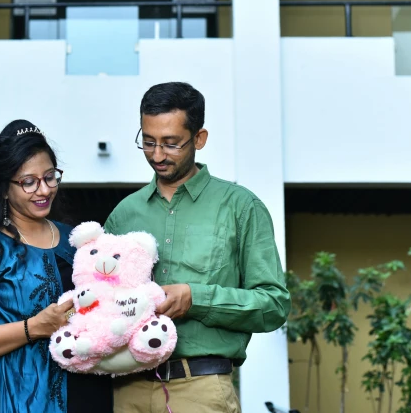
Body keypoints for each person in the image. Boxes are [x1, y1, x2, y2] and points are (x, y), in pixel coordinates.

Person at [104, 82, 290, 413]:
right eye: (148, 142)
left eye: (171, 144)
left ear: (199, 139)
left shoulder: (240, 207)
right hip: (127, 388)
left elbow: (273, 304)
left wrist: (196, 298)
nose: (157, 155)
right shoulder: (124, 214)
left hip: (201, 389)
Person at [0, 119, 113, 413]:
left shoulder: (76, 240)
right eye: (29, 182)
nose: (43, 190)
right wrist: (34, 328)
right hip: (11, 395)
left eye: (50, 177)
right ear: (4, 189)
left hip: (85, 391)